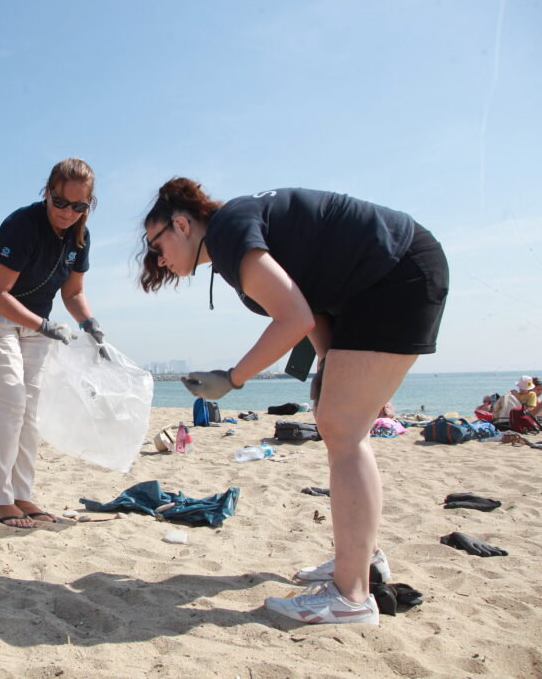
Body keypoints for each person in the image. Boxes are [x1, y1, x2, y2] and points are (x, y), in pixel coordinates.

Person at [136, 178, 448, 625]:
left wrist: (231, 379)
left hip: (395, 272)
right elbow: (313, 305)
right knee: (334, 420)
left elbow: (294, 316)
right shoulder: (235, 231)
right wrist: (328, 366)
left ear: (181, 224)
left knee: (344, 430)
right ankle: (364, 561)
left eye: (156, 243)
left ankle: (351, 596)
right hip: (379, 279)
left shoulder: (227, 232)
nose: (157, 258)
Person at [0, 157, 109, 529]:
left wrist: (89, 323)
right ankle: (0, 500)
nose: (67, 213)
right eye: (60, 202)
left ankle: (22, 494)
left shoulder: (81, 236)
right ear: (48, 193)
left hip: (38, 323)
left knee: (32, 409)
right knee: (11, 402)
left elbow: (74, 291)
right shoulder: (22, 225)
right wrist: (44, 326)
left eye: (79, 207)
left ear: (88, 206)